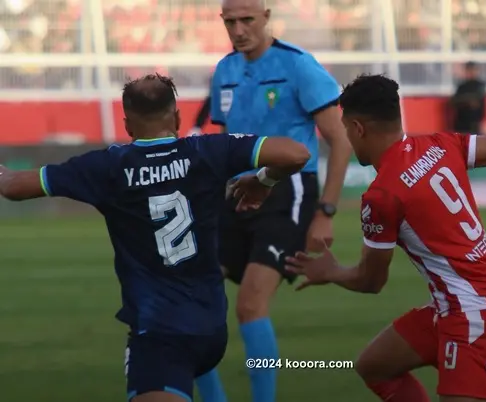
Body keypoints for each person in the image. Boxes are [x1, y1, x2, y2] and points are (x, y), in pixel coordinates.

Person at [285, 74, 486, 402]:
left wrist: (331, 272)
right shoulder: (438, 145)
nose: (347, 136)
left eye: (346, 128)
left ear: (358, 128)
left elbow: (371, 281)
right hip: (455, 304)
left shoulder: (382, 196)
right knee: (375, 366)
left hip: (475, 312)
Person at [0, 73, 310, 402]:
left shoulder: (108, 167)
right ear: (177, 117)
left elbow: (14, 186)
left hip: (160, 336)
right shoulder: (208, 150)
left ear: (128, 124)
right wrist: (263, 180)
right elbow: (295, 154)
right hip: (210, 329)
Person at [196, 0, 352, 401]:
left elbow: (340, 139)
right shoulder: (225, 70)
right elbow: (227, 141)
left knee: (250, 305)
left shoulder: (299, 66)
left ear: (266, 18)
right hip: (236, 191)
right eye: (230, 22)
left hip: (290, 189)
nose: (238, 29)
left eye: (247, 19)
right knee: (194, 295)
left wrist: (326, 213)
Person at [449, 61, 486, 135]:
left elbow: (478, 99)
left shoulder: (480, 85)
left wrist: (464, 99)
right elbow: (453, 101)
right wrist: (467, 100)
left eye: (473, 69)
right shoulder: (461, 86)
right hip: (461, 121)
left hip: (475, 122)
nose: (471, 72)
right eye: (469, 70)